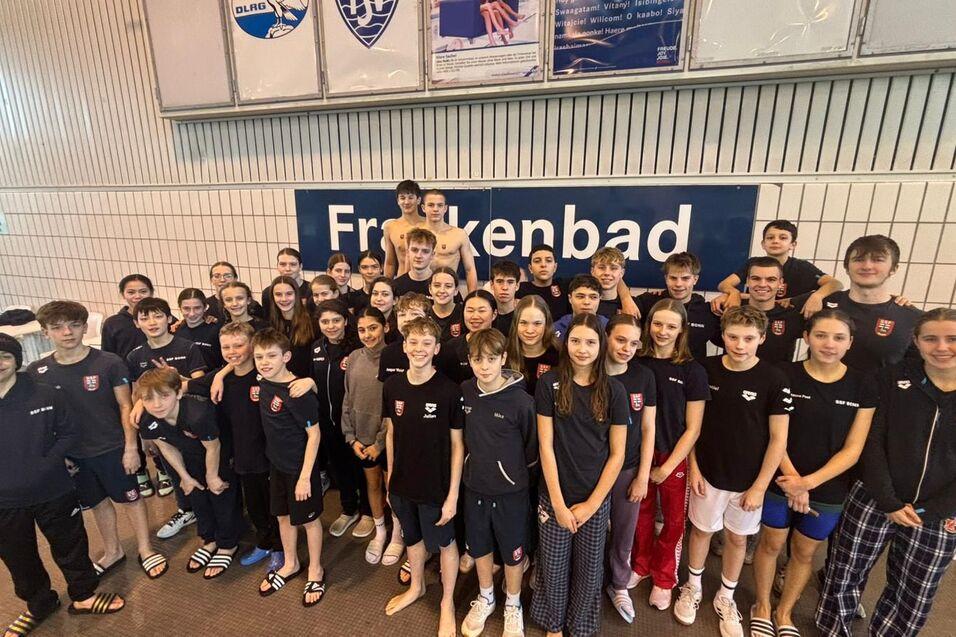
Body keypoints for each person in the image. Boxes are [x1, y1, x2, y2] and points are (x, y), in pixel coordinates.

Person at [816, 308, 956, 637]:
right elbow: (872, 440)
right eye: (931, 338)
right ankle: (833, 629)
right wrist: (889, 500)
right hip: (875, 495)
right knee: (845, 570)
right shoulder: (891, 378)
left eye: (952, 339)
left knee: (915, 591)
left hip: (937, 512)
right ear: (917, 342)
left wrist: (934, 510)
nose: (941, 347)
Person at [749, 309, 876, 636]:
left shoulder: (863, 384)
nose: (829, 344)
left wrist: (807, 484)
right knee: (771, 543)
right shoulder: (784, 375)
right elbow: (774, 435)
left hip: (828, 486)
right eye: (821, 335)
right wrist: (793, 482)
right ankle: (761, 605)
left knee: (805, 552)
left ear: (850, 342)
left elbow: (854, 448)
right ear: (806, 337)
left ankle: (785, 612)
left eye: (838, 337)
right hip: (782, 477)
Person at [30, 302, 167, 581]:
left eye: (74, 325)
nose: (67, 332)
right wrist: (59, 456)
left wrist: (132, 447)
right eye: (57, 328)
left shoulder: (108, 362)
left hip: (112, 447)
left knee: (131, 499)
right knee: (97, 503)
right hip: (74, 454)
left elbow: (126, 406)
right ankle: (113, 550)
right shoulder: (38, 372)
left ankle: (145, 548)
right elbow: (44, 420)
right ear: (46, 333)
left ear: (84, 327)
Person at [676, 306, 791, 637]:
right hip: (709, 472)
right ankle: (693, 587)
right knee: (700, 531)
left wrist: (759, 486)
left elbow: (778, 439)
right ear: (722, 336)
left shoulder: (774, 378)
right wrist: (693, 468)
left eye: (749, 339)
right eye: (733, 337)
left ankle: (726, 597)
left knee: (737, 539)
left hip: (748, 480)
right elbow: (693, 427)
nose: (740, 345)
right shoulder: (704, 370)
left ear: (762, 339)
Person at [0, 335, 126, 635]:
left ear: (16, 359)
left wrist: (48, 462)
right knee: (18, 555)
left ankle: (84, 596)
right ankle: (38, 604)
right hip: (4, 499)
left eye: (3, 356)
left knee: (70, 545)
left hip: (53, 488)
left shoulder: (44, 394)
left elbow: (70, 433)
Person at [532, 313, 629, 637]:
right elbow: (545, 446)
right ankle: (554, 624)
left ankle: (581, 625)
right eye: (575, 341)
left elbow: (617, 454)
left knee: (589, 569)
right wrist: (558, 504)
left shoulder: (614, 391)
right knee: (553, 566)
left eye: (590, 342)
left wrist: (591, 504)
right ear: (565, 342)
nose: (582, 349)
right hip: (555, 494)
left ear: (601, 345)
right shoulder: (549, 383)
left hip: (594, 497)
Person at [382, 316, 465, 637]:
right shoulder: (392, 386)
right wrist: (390, 478)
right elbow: (390, 433)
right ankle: (416, 586)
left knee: (444, 544)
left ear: (436, 348)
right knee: (412, 539)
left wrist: (453, 495)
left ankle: (447, 602)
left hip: (437, 486)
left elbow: (458, 446)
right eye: (413, 342)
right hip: (403, 483)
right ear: (404, 346)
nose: (418, 349)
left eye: (426, 343)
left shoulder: (449, 391)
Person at [629, 298, 709, 610]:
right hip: (640, 454)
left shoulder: (692, 371)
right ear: (648, 326)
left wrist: (668, 466)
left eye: (671, 326)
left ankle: (664, 577)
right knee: (642, 514)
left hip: (673, 456)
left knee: (674, 521)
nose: (663, 331)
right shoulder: (637, 363)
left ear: (682, 330)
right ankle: (640, 564)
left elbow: (693, 428)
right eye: (657, 324)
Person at [459, 328, 537, 637]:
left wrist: (515, 477)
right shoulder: (465, 391)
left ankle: (513, 603)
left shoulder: (522, 401)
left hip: (511, 492)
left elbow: (531, 450)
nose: (484, 366)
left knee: (512, 550)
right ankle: (486, 596)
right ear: (470, 361)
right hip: (475, 486)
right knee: (479, 546)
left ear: (504, 359)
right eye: (478, 359)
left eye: (491, 359)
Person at [187, 322, 283, 571]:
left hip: (270, 455)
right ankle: (264, 542)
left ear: (252, 345)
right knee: (254, 505)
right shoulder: (220, 378)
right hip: (241, 456)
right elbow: (183, 386)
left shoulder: (266, 375)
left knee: (275, 506)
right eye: (226, 347)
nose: (232, 351)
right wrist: (142, 401)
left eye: (238, 345)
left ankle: (280, 548)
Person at [139, 367, 243, 580]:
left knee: (220, 496)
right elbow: (166, 446)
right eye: (148, 399)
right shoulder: (147, 419)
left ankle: (227, 544)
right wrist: (185, 477)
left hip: (218, 454)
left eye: (164, 396)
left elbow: (213, 447)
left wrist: (212, 476)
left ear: (178, 393)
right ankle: (210, 539)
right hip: (188, 456)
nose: (157, 405)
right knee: (196, 497)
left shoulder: (197, 414)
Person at [252, 329, 327, 607]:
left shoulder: (297, 392)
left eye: (271, 355)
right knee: (283, 517)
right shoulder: (264, 380)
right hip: (277, 467)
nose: (264, 361)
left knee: (309, 520)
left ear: (286, 356)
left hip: (300, 470)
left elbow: (314, 435)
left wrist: (306, 477)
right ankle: (291, 563)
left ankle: (316, 569)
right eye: (259, 356)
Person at [127, 297, 207, 539]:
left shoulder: (187, 347)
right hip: (159, 426)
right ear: (137, 323)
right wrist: (144, 435)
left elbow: (200, 385)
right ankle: (185, 510)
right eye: (145, 318)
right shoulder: (135, 356)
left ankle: (206, 512)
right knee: (174, 469)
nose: (152, 322)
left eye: (158, 316)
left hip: (190, 424)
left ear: (169, 318)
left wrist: (176, 377)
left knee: (200, 469)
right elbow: (136, 392)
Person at [603, 315, 657, 624]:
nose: (627, 348)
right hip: (592, 469)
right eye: (620, 340)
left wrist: (642, 476)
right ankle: (588, 580)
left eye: (634, 343)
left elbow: (649, 427)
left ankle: (619, 584)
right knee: (591, 533)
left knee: (624, 532)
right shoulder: (591, 372)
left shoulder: (644, 376)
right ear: (607, 337)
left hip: (629, 469)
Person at [341, 307, 403, 566]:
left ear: (386, 327)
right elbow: (347, 399)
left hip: (387, 439)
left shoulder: (396, 359)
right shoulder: (354, 357)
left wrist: (379, 443)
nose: (367, 334)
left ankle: (398, 536)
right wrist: (351, 437)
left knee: (393, 489)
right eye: (362, 329)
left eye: (373, 328)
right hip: (361, 438)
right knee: (373, 485)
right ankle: (381, 531)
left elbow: (394, 408)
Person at [308, 300, 371, 539]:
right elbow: (313, 381)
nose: (331, 326)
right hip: (328, 421)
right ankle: (348, 509)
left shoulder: (356, 349)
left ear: (346, 321)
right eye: (325, 321)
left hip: (355, 422)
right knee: (339, 466)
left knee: (361, 468)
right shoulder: (316, 348)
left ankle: (367, 511)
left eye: (336, 320)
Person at [821, 235, 922, 370]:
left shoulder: (913, 318)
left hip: (880, 391)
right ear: (846, 267)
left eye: (877, 260)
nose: (867, 266)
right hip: (819, 390)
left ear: (894, 268)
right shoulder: (820, 304)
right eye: (859, 259)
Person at [715, 220, 843, 316]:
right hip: (753, 315)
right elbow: (724, 284)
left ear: (793, 244)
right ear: (763, 244)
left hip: (784, 321)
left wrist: (817, 296)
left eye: (783, 238)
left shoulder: (801, 267)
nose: (775, 241)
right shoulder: (754, 263)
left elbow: (836, 284)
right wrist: (734, 293)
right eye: (770, 238)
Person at [635, 252, 721, 360]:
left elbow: (732, 341)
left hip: (692, 374)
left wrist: (732, 295)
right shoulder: (647, 302)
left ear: (695, 279)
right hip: (650, 372)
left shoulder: (708, 312)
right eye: (673, 278)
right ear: (666, 278)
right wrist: (625, 298)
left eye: (685, 278)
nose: (678, 284)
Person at [421, 189, 479, 292]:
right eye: (431, 205)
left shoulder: (459, 234)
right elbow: (407, 268)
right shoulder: (415, 235)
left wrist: (472, 298)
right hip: (422, 291)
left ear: (445, 208)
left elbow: (470, 270)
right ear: (423, 208)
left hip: (449, 291)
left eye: (440, 205)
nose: (435, 209)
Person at [436, 290, 498, 385]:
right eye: (470, 310)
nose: (475, 316)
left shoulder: (503, 344)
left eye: (481, 311)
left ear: (494, 314)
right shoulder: (451, 346)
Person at [505, 295, 561, 398]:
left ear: (546, 324)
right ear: (515, 324)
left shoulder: (559, 354)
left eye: (537, 323)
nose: (529, 330)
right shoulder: (503, 353)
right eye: (523, 323)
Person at [267, 275, 315, 377]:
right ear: (272, 297)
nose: (284, 299)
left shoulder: (312, 322)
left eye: (289, 294)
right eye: (278, 294)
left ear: (296, 295)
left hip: (304, 384)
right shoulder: (269, 324)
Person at [378, 292, 430, 386]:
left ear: (428, 318)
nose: (407, 319)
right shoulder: (388, 353)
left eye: (414, 314)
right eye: (402, 315)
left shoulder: (441, 351)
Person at [102, 273, 152, 361]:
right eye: (131, 292)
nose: (137, 296)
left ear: (151, 293)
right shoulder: (113, 323)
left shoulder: (165, 319)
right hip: (126, 373)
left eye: (143, 291)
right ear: (122, 294)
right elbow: (107, 356)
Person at [383, 180, 426, 279]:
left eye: (411, 197)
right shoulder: (390, 227)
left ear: (418, 200)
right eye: (402, 198)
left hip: (426, 283)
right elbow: (390, 263)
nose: (406, 202)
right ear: (398, 201)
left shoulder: (428, 224)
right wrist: (387, 287)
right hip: (401, 283)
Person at [517, 244, 570, 321]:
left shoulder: (564, 287)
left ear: (555, 267)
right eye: (537, 261)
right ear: (530, 268)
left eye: (548, 261)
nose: (543, 265)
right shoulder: (520, 290)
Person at [177, 288, 223, 369]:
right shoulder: (176, 331)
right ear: (180, 308)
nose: (192, 314)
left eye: (197, 308)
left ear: (205, 307)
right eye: (186, 308)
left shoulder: (217, 331)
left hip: (211, 380)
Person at [260, 248, 312, 321]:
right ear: (277, 266)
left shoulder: (311, 290)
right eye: (283, 264)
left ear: (300, 267)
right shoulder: (268, 292)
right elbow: (268, 321)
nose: (287, 269)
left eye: (293, 264)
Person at [552, 274, 608, 340]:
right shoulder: (555, 329)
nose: (586, 302)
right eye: (580, 297)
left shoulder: (608, 327)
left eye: (593, 297)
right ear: (570, 298)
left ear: (599, 299)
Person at [591, 246, 640, 319]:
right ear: (592, 271)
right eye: (601, 267)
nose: (607, 273)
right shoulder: (582, 301)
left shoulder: (635, 305)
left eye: (613, 268)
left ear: (622, 273)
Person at [392, 228, 438, 300]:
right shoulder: (396, 286)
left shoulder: (442, 287)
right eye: (414, 250)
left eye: (425, 251)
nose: (419, 256)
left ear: (432, 255)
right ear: (407, 252)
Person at [429, 267, 463, 342]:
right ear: (430, 289)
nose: (442, 290)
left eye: (448, 286)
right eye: (437, 285)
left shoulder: (464, 314)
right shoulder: (423, 314)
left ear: (456, 290)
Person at [490, 260, 521, 336]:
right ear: (492, 285)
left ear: (517, 286)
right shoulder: (486, 314)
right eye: (499, 281)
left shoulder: (524, 313)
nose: (504, 287)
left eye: (510, 282)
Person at [369, 277, 399, 342]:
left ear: (395, 300)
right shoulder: (363, 320)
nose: (379, 299)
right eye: (375, 294)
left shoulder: (400, 325)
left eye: (385, 294)